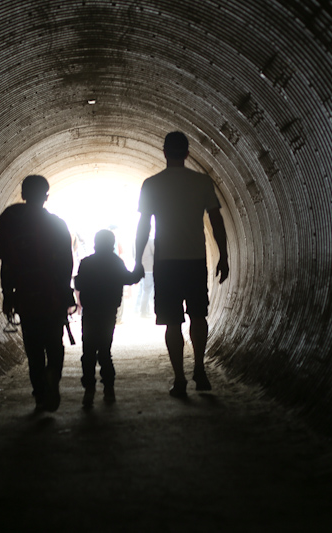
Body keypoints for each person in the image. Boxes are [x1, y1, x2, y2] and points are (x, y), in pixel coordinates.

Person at [133, 131, 229, 397]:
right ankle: (199, 368)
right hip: (196, 259)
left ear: (164, 152)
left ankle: (179, 379)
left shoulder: (152, 184)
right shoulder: (202, 182)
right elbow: (216, 220)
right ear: (187, 153)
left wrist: (138, 259)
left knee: (172, 322)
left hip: (167, 263)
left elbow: (143, 226)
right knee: (198, 316)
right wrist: (224, 255)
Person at [0, 175, 75, 412]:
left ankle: (39, 395)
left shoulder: (9, 221)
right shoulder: (57, 224)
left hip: (25, 293)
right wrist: (63, 290)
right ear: (46, 197)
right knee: (54, 342)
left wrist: (8, 295)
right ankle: (53, 377)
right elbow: (67, 263)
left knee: (33, 347)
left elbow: (6, 262)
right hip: (51, 293)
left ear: (23, 194)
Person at [74, 229, 141, 408]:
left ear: (95, 243)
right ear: (112, 244)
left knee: (88, 352)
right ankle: (108, 389)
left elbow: (78, 283)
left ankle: (89, 390)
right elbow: (129, 279)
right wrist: (139, 269)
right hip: (108, 312)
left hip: (90, 313)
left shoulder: (86, 262)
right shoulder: (116, 262)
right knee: (105, 351)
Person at [136, 235, 155, 317]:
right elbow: (155, 253)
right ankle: (143, 312)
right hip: (149, 268)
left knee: (143, 290)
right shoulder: (150, 240)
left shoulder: (137, 240)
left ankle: (140, 310)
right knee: (147, 291)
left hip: (141, 268)